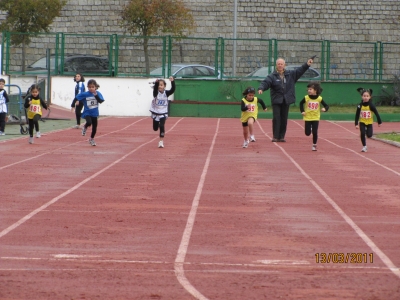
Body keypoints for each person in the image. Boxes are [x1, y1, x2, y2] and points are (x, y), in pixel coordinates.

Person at [258, 56, 314, 142]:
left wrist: (307, 64)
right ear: (276, 65)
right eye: (278, 64)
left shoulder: (291, 74)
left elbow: (300, 70)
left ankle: (281, 136)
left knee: (284, 118)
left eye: (281, 64)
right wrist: (261, 88)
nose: (280, 65)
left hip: (286, 99)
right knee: (277, 118)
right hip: (276, 100)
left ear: (285, 65)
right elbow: (266, 82)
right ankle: (275, 136)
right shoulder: (272, 76)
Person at [299, 82, 329, 151]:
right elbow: (301, 103)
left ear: (315, 90)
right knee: (307, 133)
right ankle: (310, 129)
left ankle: (314, 145)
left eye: (310, 89)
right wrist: (302, 111)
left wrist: (325, 109)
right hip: (308, 117)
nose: (309, 91)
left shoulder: (319, 98)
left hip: (316, 117)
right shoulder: (306, 98)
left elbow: (326, 106)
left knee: (315, 132)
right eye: (308, 89)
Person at [76, 79, 105, 146]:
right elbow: (77, 97)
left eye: (92, 87)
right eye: (89, 87)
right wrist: (76, 101)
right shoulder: (85, 94)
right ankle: (85, 127)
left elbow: (100, 101)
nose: (91, 88)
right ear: (88, 87)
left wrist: (96, 95)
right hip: (87, 112)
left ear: (95, 87)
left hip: (94, 113)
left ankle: (91, 139)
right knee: (89, 122)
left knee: (94, 128)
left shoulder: (98, 93)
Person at [149, 76, 176, 148]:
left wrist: (172, 81)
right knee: (155, 128)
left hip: (163, 113)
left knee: (162, 126)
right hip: (156, 112)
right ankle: (157, 124)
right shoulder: (156, 93)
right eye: (159, 85)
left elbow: (172, 90)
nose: (160, 86)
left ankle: (161, 141)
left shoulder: (166, 93)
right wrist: (156, 83)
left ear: (164, 86)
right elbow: (154, 91)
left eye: (161, 85)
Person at [355, 87, 382, 152]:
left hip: (369, 122)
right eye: (364, 96)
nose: (365, 97)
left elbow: (376, 113)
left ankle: (367, 130)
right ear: (362, 97)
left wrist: (379, 122)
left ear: (370, 97)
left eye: (367, 96)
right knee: (362, 133)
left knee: (369, 135)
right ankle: (364, 146)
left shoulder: (371, 105)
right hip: (362, 121)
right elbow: (357, 114)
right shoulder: (360, 105)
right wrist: (356, 124)